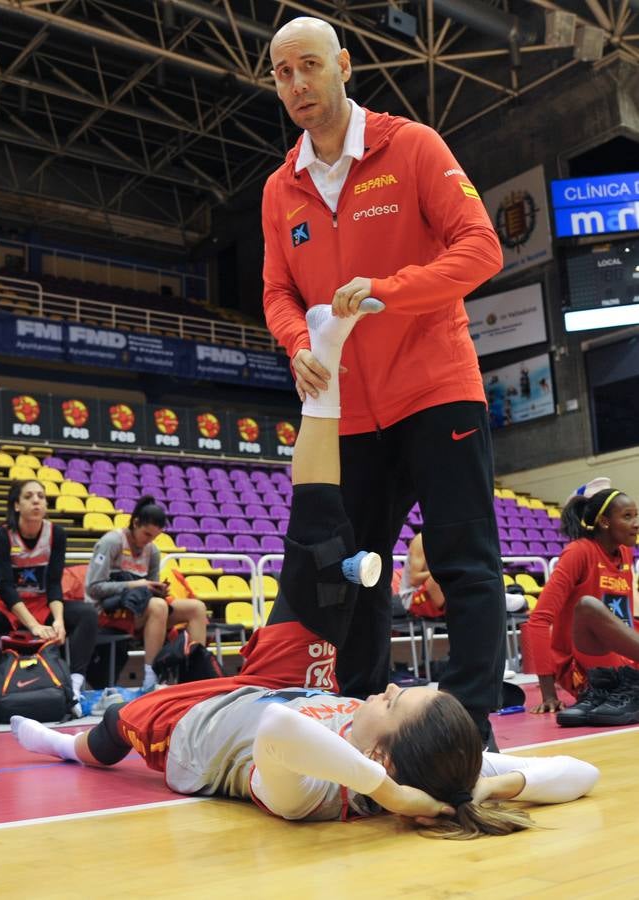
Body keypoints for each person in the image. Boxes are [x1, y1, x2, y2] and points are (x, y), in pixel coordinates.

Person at [12, 306, 598, 838]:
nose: (393, 685)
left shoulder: (313, 794)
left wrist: (387, 793)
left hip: (201, 728)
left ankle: (64, 746)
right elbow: (580, 771)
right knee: (317, 534)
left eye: (395, 702)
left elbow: (275, 730)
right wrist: (481, 786)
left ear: (385, 761)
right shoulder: (408, 759)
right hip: (289, 685)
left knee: (114, 727)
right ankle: (328, 361)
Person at [261, 15, 506, 748]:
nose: (297, 84)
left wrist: (387, 291)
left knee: (463, 561)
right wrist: (298, 341)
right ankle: (363, 719)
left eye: (309, 66)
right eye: (281, 74)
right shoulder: (281, 188)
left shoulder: (412, 147)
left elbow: (481, 248)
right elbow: (276, 290)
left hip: (435, 389)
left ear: (342, 64)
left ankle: (466, 727)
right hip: (349, 413)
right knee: (353, 572)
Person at [0, 479, 98, 713]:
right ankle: (5, 680)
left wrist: (58, 620)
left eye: (41, 496)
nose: (36, 500)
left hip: (42, 602)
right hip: (5, 604)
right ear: (16, 505)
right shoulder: (3, 536)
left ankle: (75, 686)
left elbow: (54, 582)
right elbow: (5, 588)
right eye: (28, 496)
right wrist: (34, 626)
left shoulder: (56, 533)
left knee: (87, 614)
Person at [522, 484, 639, 721]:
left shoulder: (624, 553)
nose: (636, 522)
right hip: (583, 666)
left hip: (624, 661)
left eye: (636, 515)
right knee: (588, 606)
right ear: (605, 523)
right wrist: (548, 694)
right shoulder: (578, 552)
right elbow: (538, 621)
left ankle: (630, 687)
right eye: (628, 516)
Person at [85, 495, 211, 692]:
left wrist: (158, 590)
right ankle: (151, 681)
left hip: (141, 609)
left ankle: (195, 676)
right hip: (107, 611)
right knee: (158, 606)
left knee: (196, 608)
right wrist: (135, 584)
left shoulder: (152, 551)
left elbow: (150, 589)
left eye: (154, 536)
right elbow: (93, 588)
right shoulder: (111, 542)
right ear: (135, 523)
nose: (149, 541)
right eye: (146, 534)